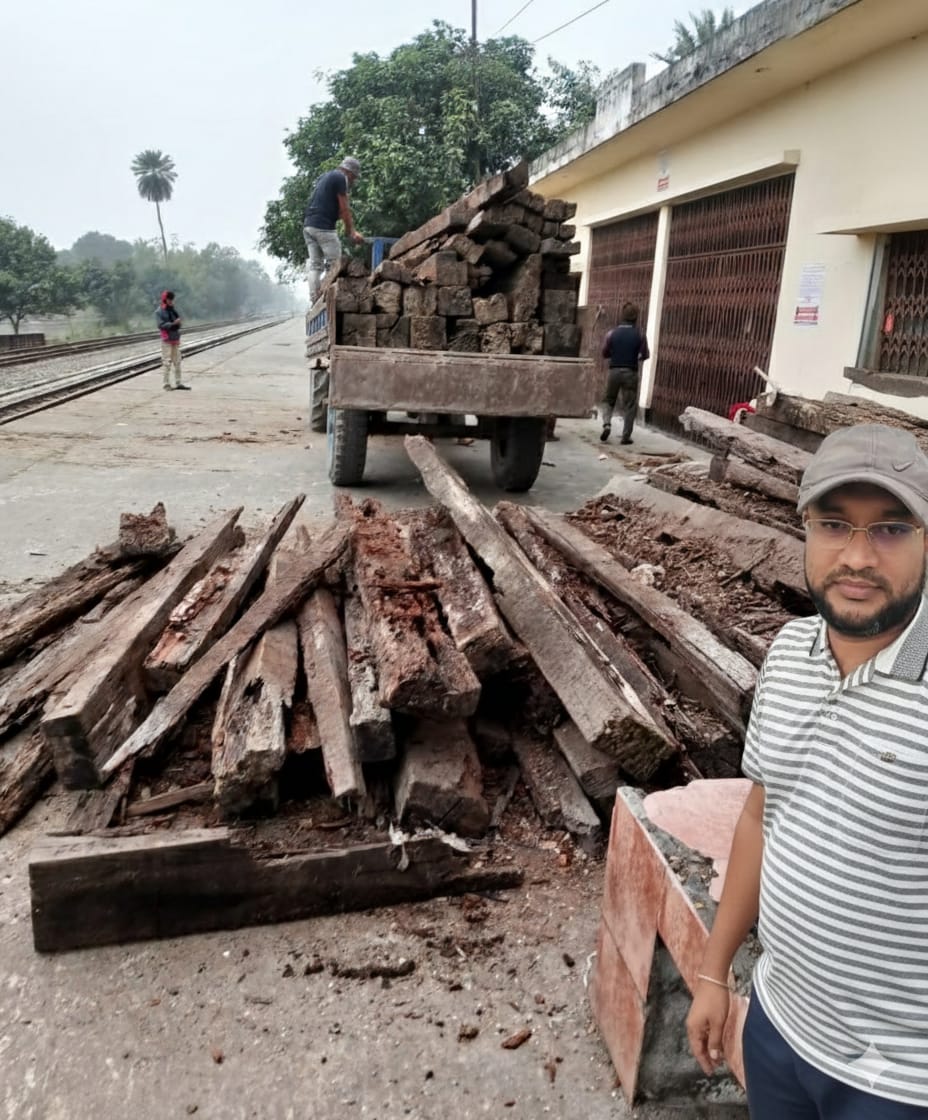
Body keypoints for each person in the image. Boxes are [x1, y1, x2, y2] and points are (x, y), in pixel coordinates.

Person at [686, 423, 928, 1118]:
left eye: (888, 529)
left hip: (900, 1082)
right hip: (780, 1031)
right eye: (834, 525)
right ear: (804, 531)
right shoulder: (789, 653)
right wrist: (713, 973)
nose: (857, 556)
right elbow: (764, 818)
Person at [303, 156, 365, 303]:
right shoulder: (340, 178)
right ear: (349, 172)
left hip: (309, 226)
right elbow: (344, 209)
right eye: (354, 178)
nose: (353, 182)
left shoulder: (325, 177)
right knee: (335, 264)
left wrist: (347, 228)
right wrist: (352, 232)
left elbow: (334, 210)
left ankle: (315, 300)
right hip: (322, 227)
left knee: (315, 265)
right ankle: (333, 300)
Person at [599, 302, 649, 444]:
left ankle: (607, 424)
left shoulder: (612, 334)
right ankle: (626, 436)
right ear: (636, 317)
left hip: (614, 371)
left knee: (608, 400)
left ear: (623, 315)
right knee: (630, 405)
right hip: (630, 372)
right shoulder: (640, 335)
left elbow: (605, 353)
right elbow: (644, 355)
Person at [156, 290, 189, 390]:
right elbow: (160, 325)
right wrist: (173, 324)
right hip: (166, 339)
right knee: (167, 362)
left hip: (175, 338)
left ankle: (178, 382)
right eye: (169, 299)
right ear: (165, 299)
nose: (171, 301)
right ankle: (166, 384)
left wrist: (178, 323)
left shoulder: (173, 310)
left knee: (177, 361)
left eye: (172, 299)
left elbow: (178, 322)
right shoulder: (159, 311)